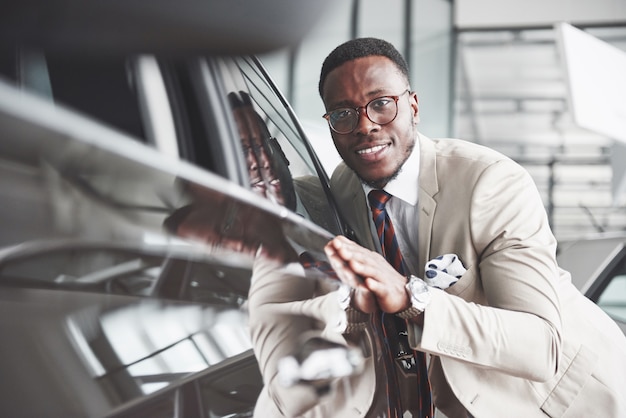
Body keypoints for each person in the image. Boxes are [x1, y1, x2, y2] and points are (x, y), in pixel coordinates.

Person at [316, 37, 626, 417]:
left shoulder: (491, 183)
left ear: (413, 107)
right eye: (343, 114)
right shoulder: (344, 188)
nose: (364, 126)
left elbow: (540, 345)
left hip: (563, 400)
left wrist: (412, 297)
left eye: (381, 104)